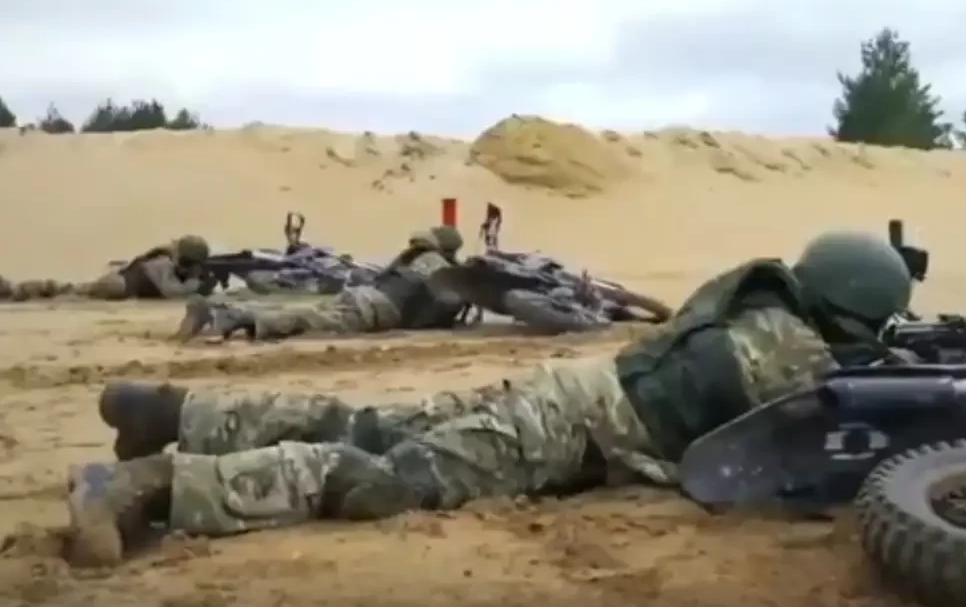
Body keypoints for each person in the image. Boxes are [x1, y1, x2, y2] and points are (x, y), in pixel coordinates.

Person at [64, 230, 915, 567]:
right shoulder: (795, 352)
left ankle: (173, 411)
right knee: (383, 477)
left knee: (370, 422)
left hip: (568, 392)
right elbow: (837, 429)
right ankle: (154, 484)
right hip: (569, 427)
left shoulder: (760, 300)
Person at [174, 225, 466, 342]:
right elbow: (446, 302)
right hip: (376, 309)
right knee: (305, 319)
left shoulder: (415, 257)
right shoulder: (439, 266)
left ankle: (228, 313)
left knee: (308, 313)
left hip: (366, 296)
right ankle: (228, 317)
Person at [0, 235, 211, 302]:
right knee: (69, 292)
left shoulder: (164, 263)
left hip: (117, 284)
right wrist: (195, 282)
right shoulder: (163, 264)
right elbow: (170, 291)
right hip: (116, 286)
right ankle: (15, 290)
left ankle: (16, 290)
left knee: (70, 291)